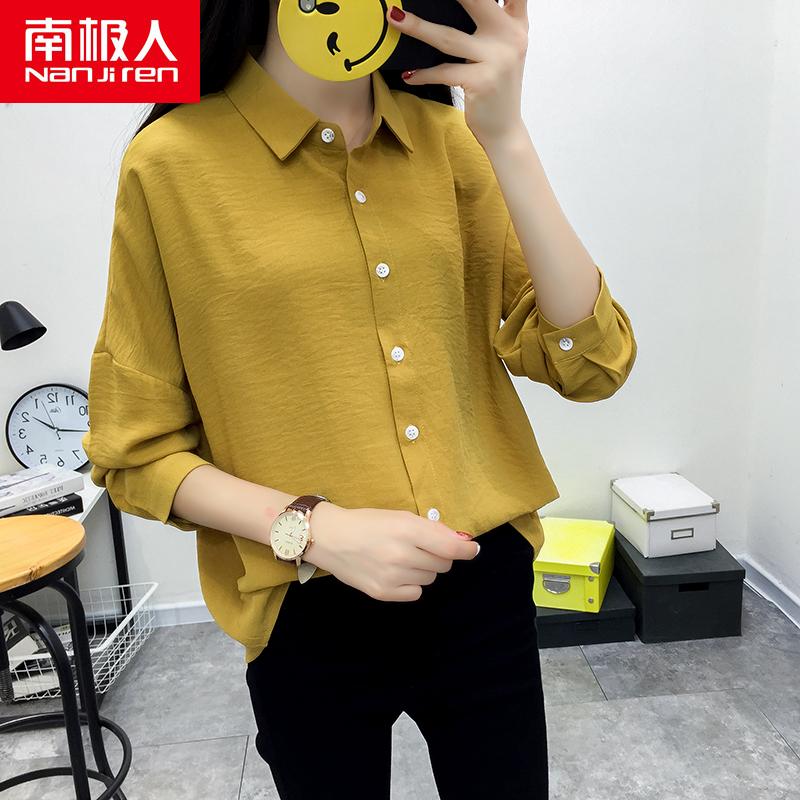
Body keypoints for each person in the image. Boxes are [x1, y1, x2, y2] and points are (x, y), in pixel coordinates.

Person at [82, 0, 637, 797]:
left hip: (481, 581)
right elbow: (135, 451)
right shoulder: (169, 165)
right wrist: (315, 529)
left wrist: (507, 136)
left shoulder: (450, 142)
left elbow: (592, 364)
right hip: (304, 602)